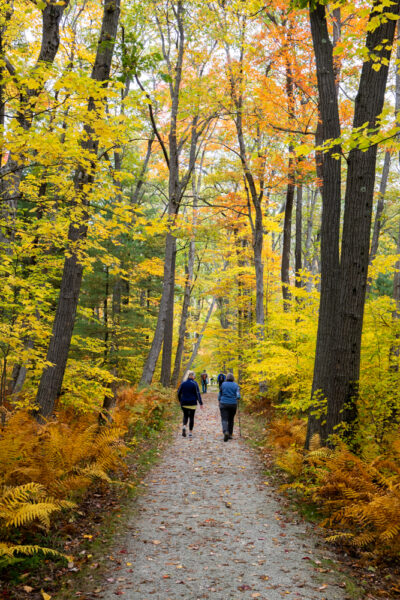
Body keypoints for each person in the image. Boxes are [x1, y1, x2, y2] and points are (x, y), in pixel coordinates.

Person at [177, 371, 203, 438]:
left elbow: (178, 393)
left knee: (185, 415)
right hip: (192, 403)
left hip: (184, 403)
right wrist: (200, 402)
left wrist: (180, 400)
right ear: (193, 377)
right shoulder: (194, 383)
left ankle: (184, 426)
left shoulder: (183, 383)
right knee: (191, 417)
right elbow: (197, 394)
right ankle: (190, 433)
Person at [218, 372, 240, 442]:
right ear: (233, 378)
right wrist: (237, 398)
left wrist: (219, 400)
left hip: (224, 403)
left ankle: (225, 432)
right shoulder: (236, 385)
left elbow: (220, 394)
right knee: (231, 419)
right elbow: (238, 395)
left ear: (226, 378)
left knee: (224, 419)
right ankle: (230, 434)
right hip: (233, 404)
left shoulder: (223, 384)